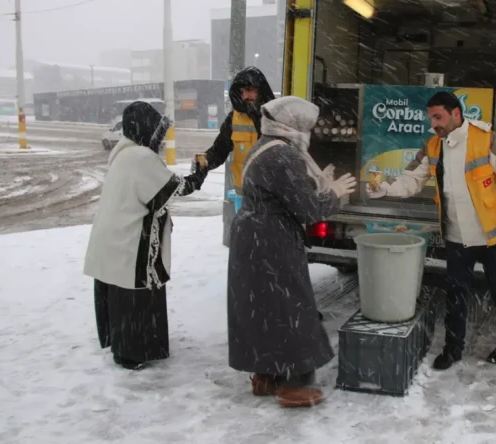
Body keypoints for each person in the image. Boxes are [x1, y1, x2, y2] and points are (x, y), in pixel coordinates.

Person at [367, 91, 496, 368]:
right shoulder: (433, 145)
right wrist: (387, 189)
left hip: (493, 236)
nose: (434, 124)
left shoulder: (487, 140)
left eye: (438, 117)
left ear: (456, 114)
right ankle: (453, 349)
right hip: (456, 237)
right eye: (431, 118)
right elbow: (412, 178)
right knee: (455, 297)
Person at [227, 96, 357, 407]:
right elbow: (309, 209)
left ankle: (266, 373)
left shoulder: (265, 146)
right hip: (272, 239)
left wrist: (318, 182)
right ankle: (296, 384)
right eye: (307, 125)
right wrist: (335, 193)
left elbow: (286, 191)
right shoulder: (283, 156)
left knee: (262, 305)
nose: (309, 131)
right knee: (291, 306)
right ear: (294, 124)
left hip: (254, 237)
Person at [83, 101, 207, 370]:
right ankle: (132, 353)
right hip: (129, 242)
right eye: (155, 130)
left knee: (120, 298)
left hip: (112, 239)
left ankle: (122, 346)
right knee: (134, 299)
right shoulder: (140, 157)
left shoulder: (122, 154)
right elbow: (173, 189)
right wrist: (199, 175)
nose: (158, 138)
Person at [197, 66, 275, 194]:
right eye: (242, 91)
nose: (245, 95)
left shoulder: (275, 116)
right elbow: (219, 150)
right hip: (243, 194)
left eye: (250, 90)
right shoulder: (233, 119)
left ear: (260, 91)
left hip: (271, 196)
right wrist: (203, 162)